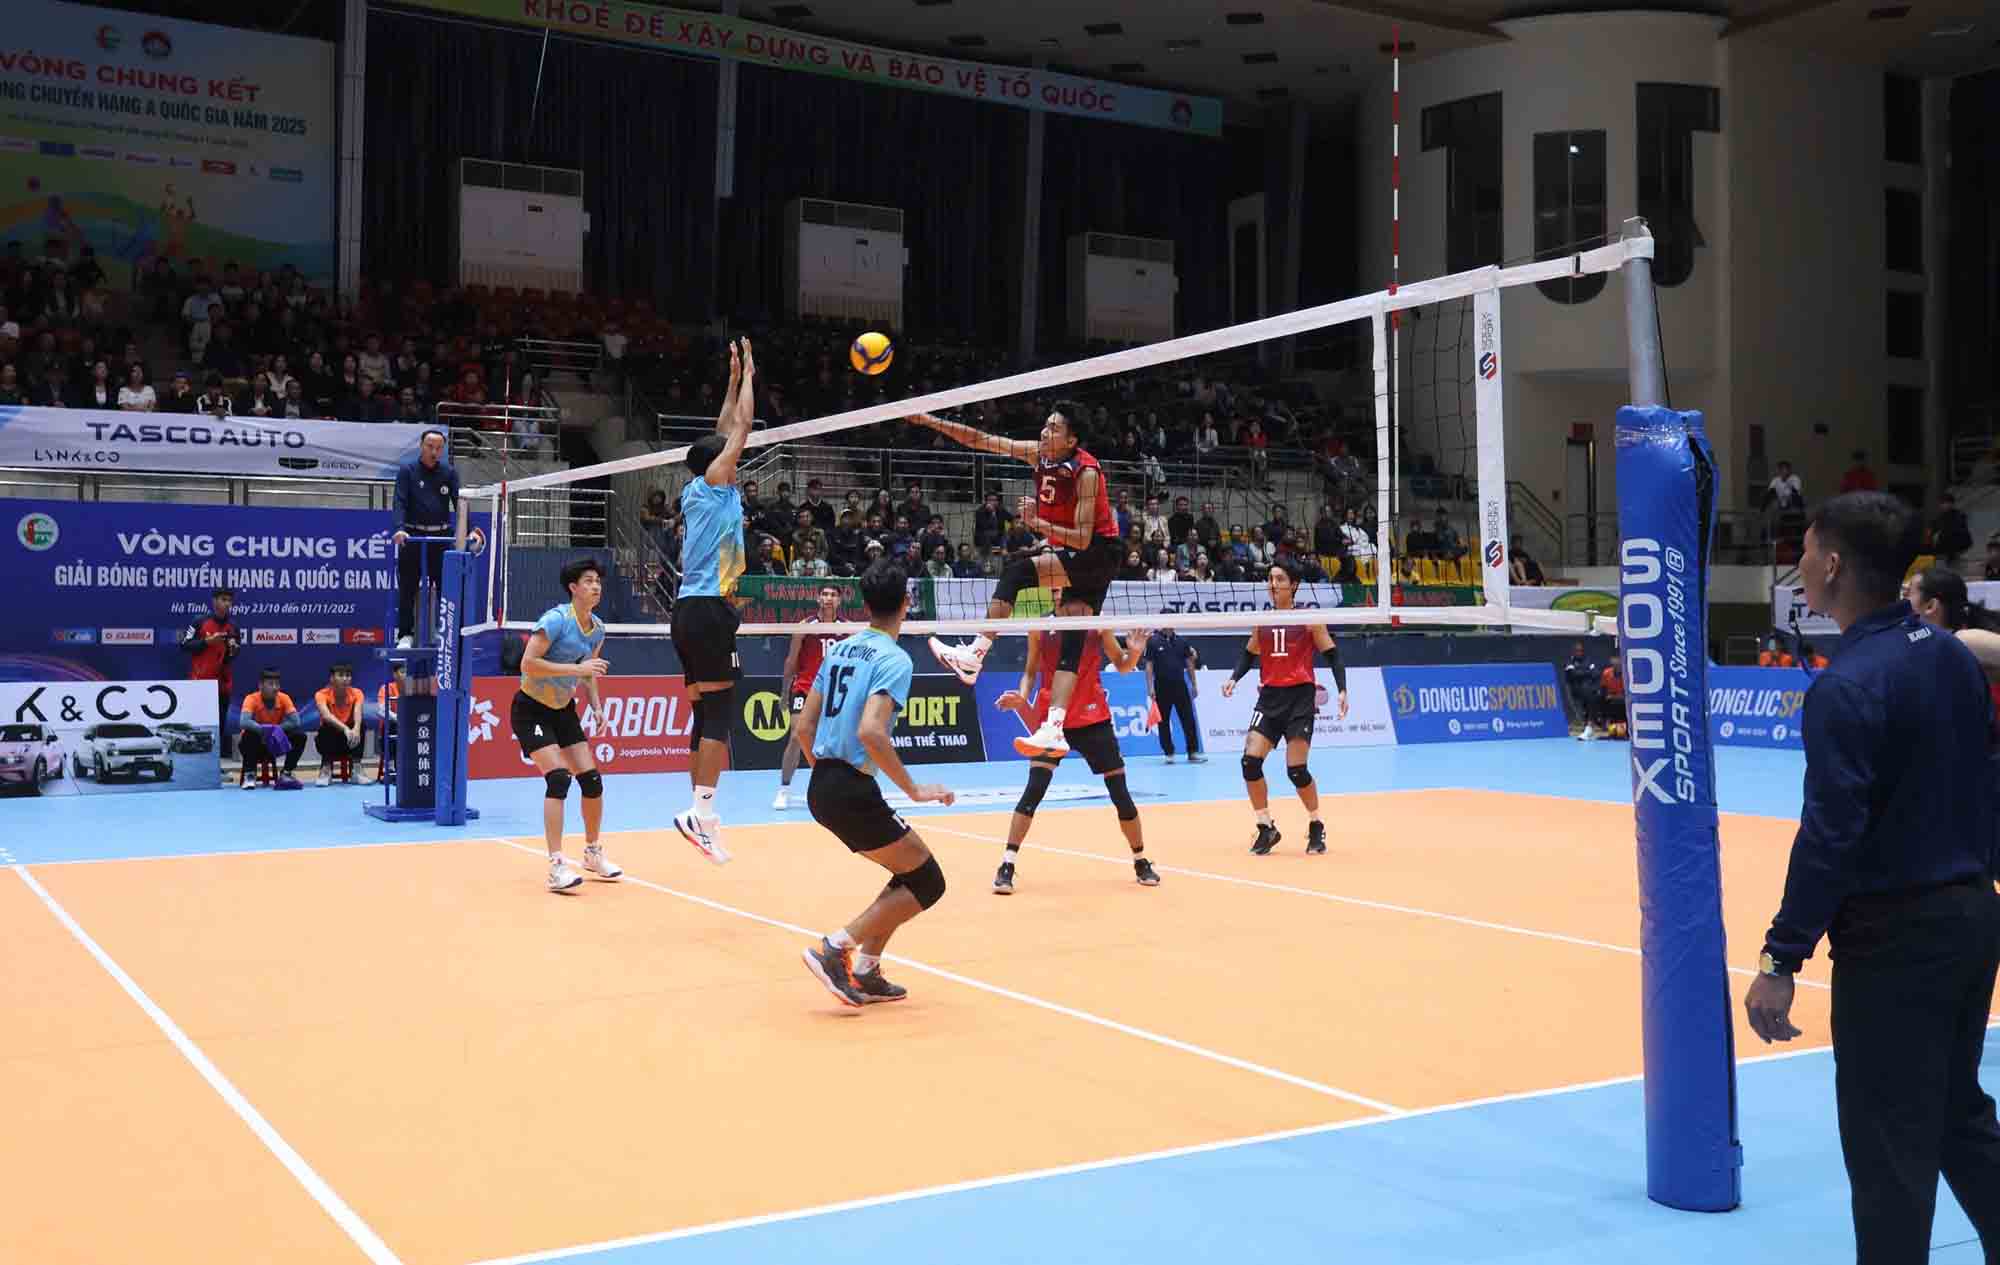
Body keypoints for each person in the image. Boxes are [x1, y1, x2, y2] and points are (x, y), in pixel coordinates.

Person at [1743, 493, 2000, 1263]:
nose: (1798, 567)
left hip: (1897, 939)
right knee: (1955, 1110)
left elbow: (1831, 836)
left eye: (1805, 552)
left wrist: (1779, 957)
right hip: (1970, 915)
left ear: (1830, 565)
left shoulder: (1846, 686)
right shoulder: (1952, 656)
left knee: (1890, 1149)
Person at [907, 401, 1123, 760]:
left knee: (1019, 572)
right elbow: (980, 439)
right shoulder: (1037, 455)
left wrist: (1037, 525)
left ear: (1072, 439)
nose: (1044, 431)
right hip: (1081, 556)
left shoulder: (1086, 473)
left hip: (1099, 553)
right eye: (1045, 425)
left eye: (1054, 428)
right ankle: (1054, 726)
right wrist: (929, 421)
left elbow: (1084, 539)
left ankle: (976, 653)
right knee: (1072, 632)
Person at [793, 560, 956, 1007]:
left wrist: (828, 773)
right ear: (907, 604)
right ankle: (835, 949)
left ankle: (866, 970)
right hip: (849, 789)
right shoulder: (894, 659)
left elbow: (803, 727)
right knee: (929, 881)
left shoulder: (839, 650)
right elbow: (871, 731)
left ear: (864, 605)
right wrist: (915, 790)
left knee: (908, 870)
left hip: (822, 784)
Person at [992, 612, 1160, 894]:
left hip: (1093, 720)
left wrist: (1134, 653)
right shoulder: (1040, 626)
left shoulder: (1097, 623)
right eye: (1053, 587)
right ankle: (1007, 864)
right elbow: (1031, 671)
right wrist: (1022, 696)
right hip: (1052, 723)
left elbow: (1121, 665)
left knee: (1120, 793)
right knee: (1034, 790)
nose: (1057, 590)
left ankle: (1140, 860)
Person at [670, 338, 755, 861]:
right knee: (721, 712)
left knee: (703, 715)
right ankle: (701, 812)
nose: (732, 455)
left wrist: (730, 378)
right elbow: (740, 427)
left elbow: (725, 427)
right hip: (708, 609)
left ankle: (699, 813)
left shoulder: (698, 489)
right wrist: (752, 375)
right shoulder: (716, 483)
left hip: (686, 610)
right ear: (714, 464)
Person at [1220, 561, 1348, 855]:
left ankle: (1315, 823)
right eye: (1270, 578)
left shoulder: (1308, 618)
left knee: (1296, 770)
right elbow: (1249, 653)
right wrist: (1233, 678)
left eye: (1279, 579)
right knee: (1249, 762)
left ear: (1294, 585)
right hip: (1269, 698)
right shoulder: (1262, 619)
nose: (1273, 584)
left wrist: (1342, 689)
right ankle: (1266, 827)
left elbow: (1332, 655)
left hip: (1300, 698)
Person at [514, 558, 626, 891]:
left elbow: (589, 672)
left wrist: (597, 706)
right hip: (531, 710)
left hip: (564, 711)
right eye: (588, 581)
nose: (596, 586)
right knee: (559, 779)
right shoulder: (555, 621)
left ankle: (592, 852)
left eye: (598, 582)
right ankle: (557, 865)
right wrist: (576, 671)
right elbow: (528, 664)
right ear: (573, 588)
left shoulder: (599, 628)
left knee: (591, 781)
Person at [392, 428, 470, 649]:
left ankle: (442, 632)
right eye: (430, 447)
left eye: (438, 448)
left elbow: (460, 504)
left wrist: (470, 531)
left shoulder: (449, 472)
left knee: (445, 587)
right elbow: (399, 502)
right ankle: (405, 634)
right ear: (421, 446)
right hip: (413, 536)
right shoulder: (407, 471)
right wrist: (399, 528)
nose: (434, 452)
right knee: (407, 587)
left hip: (440, 538)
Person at [774, 583, 846, 811]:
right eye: (824, 594)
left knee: (838, 743)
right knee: (796, 736)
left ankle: (837, 788)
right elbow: (791, 661)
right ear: (818, 599)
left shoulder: (850, 628)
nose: (828, 598)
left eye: (833, 595)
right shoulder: (805, 626)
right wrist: (785, 693)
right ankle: (784, 790)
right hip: (805, 688)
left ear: (839, 601)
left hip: (834, 690)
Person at [178, 586, 240, 747]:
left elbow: (233, 656)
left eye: (229, 601)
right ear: (214, 601)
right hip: (201, 682)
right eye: (223, 600)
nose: (227, 604)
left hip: (222, 685)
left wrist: (233, 650)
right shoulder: (199, 622)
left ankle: (216, 763)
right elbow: (184, 644)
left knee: (219, 724)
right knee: (200, 724)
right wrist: (207, 642)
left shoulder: (233, 627)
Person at [1143, 627, 1204, 763]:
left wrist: (1194, 684)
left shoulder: (1182, 641)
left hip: (1180, 685)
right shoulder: (1153, 641)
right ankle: (1169, 753)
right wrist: (1150, 687)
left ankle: (1193, 752)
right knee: (1163, 721)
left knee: (1188, 719)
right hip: (1161, 686)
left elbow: (1189, 663)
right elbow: (1149, 666)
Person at [238, 668, 305, 787]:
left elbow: (296, 722)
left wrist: (276, 730)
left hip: (274, 744)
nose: (275, 688)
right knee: (249, 734)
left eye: (277, 684)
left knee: (300, 736)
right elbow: (243, 722)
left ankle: (286, 773)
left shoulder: (284, 698)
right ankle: (250, 775)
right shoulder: (251, 699)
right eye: (271, 684)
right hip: (254, 745)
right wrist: (264, 730)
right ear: (260, 686)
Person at [312, 663, 368, 786]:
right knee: (327, 725)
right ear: (332, 678)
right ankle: (326, 769)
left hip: (350, 743)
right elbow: (326, 716)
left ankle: (356, 769)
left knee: (362, 724)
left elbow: (358, 713)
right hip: (329, 744)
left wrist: (356, 729)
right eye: (341, 675)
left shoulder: (357, 693)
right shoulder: (321, 694)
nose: (345, 679)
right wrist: (345, 729)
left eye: (348, 676)